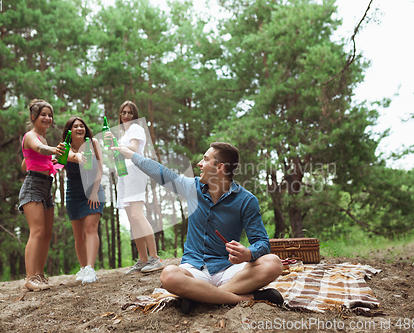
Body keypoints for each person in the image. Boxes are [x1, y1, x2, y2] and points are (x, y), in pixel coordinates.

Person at [112, 142, 283, 314]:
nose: (199, 164)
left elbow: (262, 242)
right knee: (169, 275)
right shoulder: (192, 188)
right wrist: (130, 154)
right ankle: (244, 298)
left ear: (220, 167)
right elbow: (161, 172)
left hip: (228, 271)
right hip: (194, 271)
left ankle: (201, 297)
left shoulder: (246, 200)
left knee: (273, 263)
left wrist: (248, 253)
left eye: (205, 159)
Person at [105, 101, 164, 274]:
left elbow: (134, 148)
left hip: (136, 174)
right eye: (123, 112)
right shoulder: (125, 133)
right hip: (124, 175)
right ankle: (143, 259)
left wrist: (118, 145)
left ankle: (155, 258)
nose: (126, 115)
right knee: (131, 218)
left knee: (138, 215)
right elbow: (120, 152)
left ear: (135, 115)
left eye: (130, 113)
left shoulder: (136, 129)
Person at [19, 99, 65, 292]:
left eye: (49, 114)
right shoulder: (31, 135)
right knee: (36, 232)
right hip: (33, 187)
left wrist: (50, 159)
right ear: (33, 117)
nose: (47, 118)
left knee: (46, 234)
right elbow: (38, 148)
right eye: (43, 114)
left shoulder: (43, 139)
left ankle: (39, 274)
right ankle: (29, 278)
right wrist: (52, 150)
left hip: (46, 186)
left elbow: (25, 163)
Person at [62, 117, 105, 284]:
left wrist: (94, 192)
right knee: (78, 235)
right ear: (69, 131)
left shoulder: (93, 143)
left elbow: (100, 168)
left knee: (90, 229)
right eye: (75, 126)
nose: (79, 128)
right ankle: (82, 268)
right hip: (73, 192)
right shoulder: (65, 147)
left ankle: (90, 268)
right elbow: (61, 162)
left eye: (82, 126)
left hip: (93, 190)